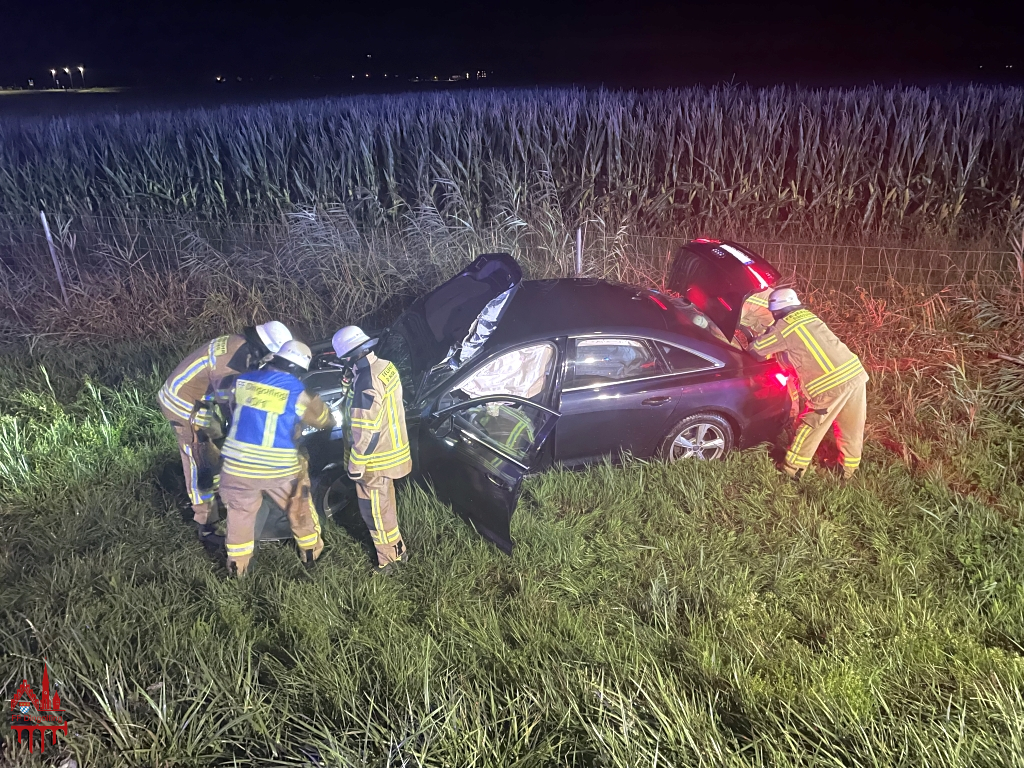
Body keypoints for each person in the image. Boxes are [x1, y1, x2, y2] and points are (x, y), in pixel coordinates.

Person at [158, 321, 293, 543]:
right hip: (183, 406)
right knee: (198, 460)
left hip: (200, 401)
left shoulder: (238, 344)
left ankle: (221, 492)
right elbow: (232, 407)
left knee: (218, 442)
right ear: (264, 348)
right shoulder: (230, 366)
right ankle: (206, 524)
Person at [218, 340, 335, 576]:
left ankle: (237, 568)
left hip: (236, 466)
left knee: (240, 515)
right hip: (277, 467)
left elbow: (234, 407)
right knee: (299, 504)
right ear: (299, 370)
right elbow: (323, 419)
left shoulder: (244, 380)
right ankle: (311, 554)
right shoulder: (296, 390)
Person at [748, 288, 868, 480]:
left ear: (776, 311)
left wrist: (760, 336)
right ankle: (847, 470)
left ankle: (792, 470)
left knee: (810, 425)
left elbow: (756, 350)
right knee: (851, 425)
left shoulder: (784, 327)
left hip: (830, 384)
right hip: (854, 374)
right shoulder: (809, 317)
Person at [332, 325, 412, 575]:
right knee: (385, 507)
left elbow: (366, 430)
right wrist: (349, 383)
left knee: (374, 512)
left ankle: (389, 561)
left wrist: (356, 465)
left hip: (375, 461)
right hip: (392, 451)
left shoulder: (367, 380)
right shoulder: (385, 366)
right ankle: (398, 549)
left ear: (348, 356)